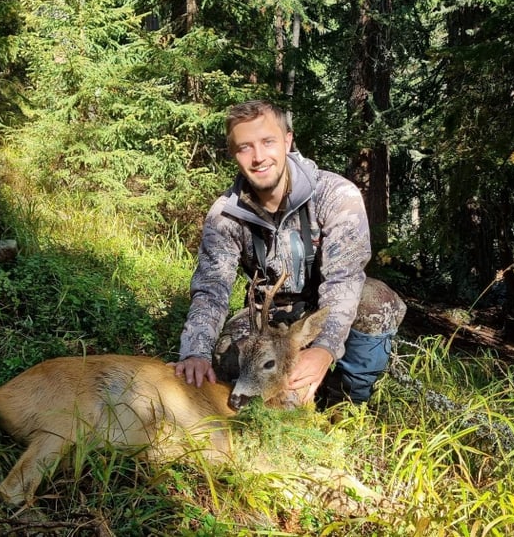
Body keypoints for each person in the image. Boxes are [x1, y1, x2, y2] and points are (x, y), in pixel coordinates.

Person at [173, 100, 406, 407]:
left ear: (287, 141)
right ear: (234, 154)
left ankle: (343, 402)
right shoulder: (225, 216)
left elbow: (344, 281)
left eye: (268, 142)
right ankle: (282, 397)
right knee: (226, 356)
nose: (258, 157)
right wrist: (195, 353)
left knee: (375, 302)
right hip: (270, 315)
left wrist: (324, 349)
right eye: (245, 147)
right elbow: (211, 290)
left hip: (325, 309)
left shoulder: (335, 195)